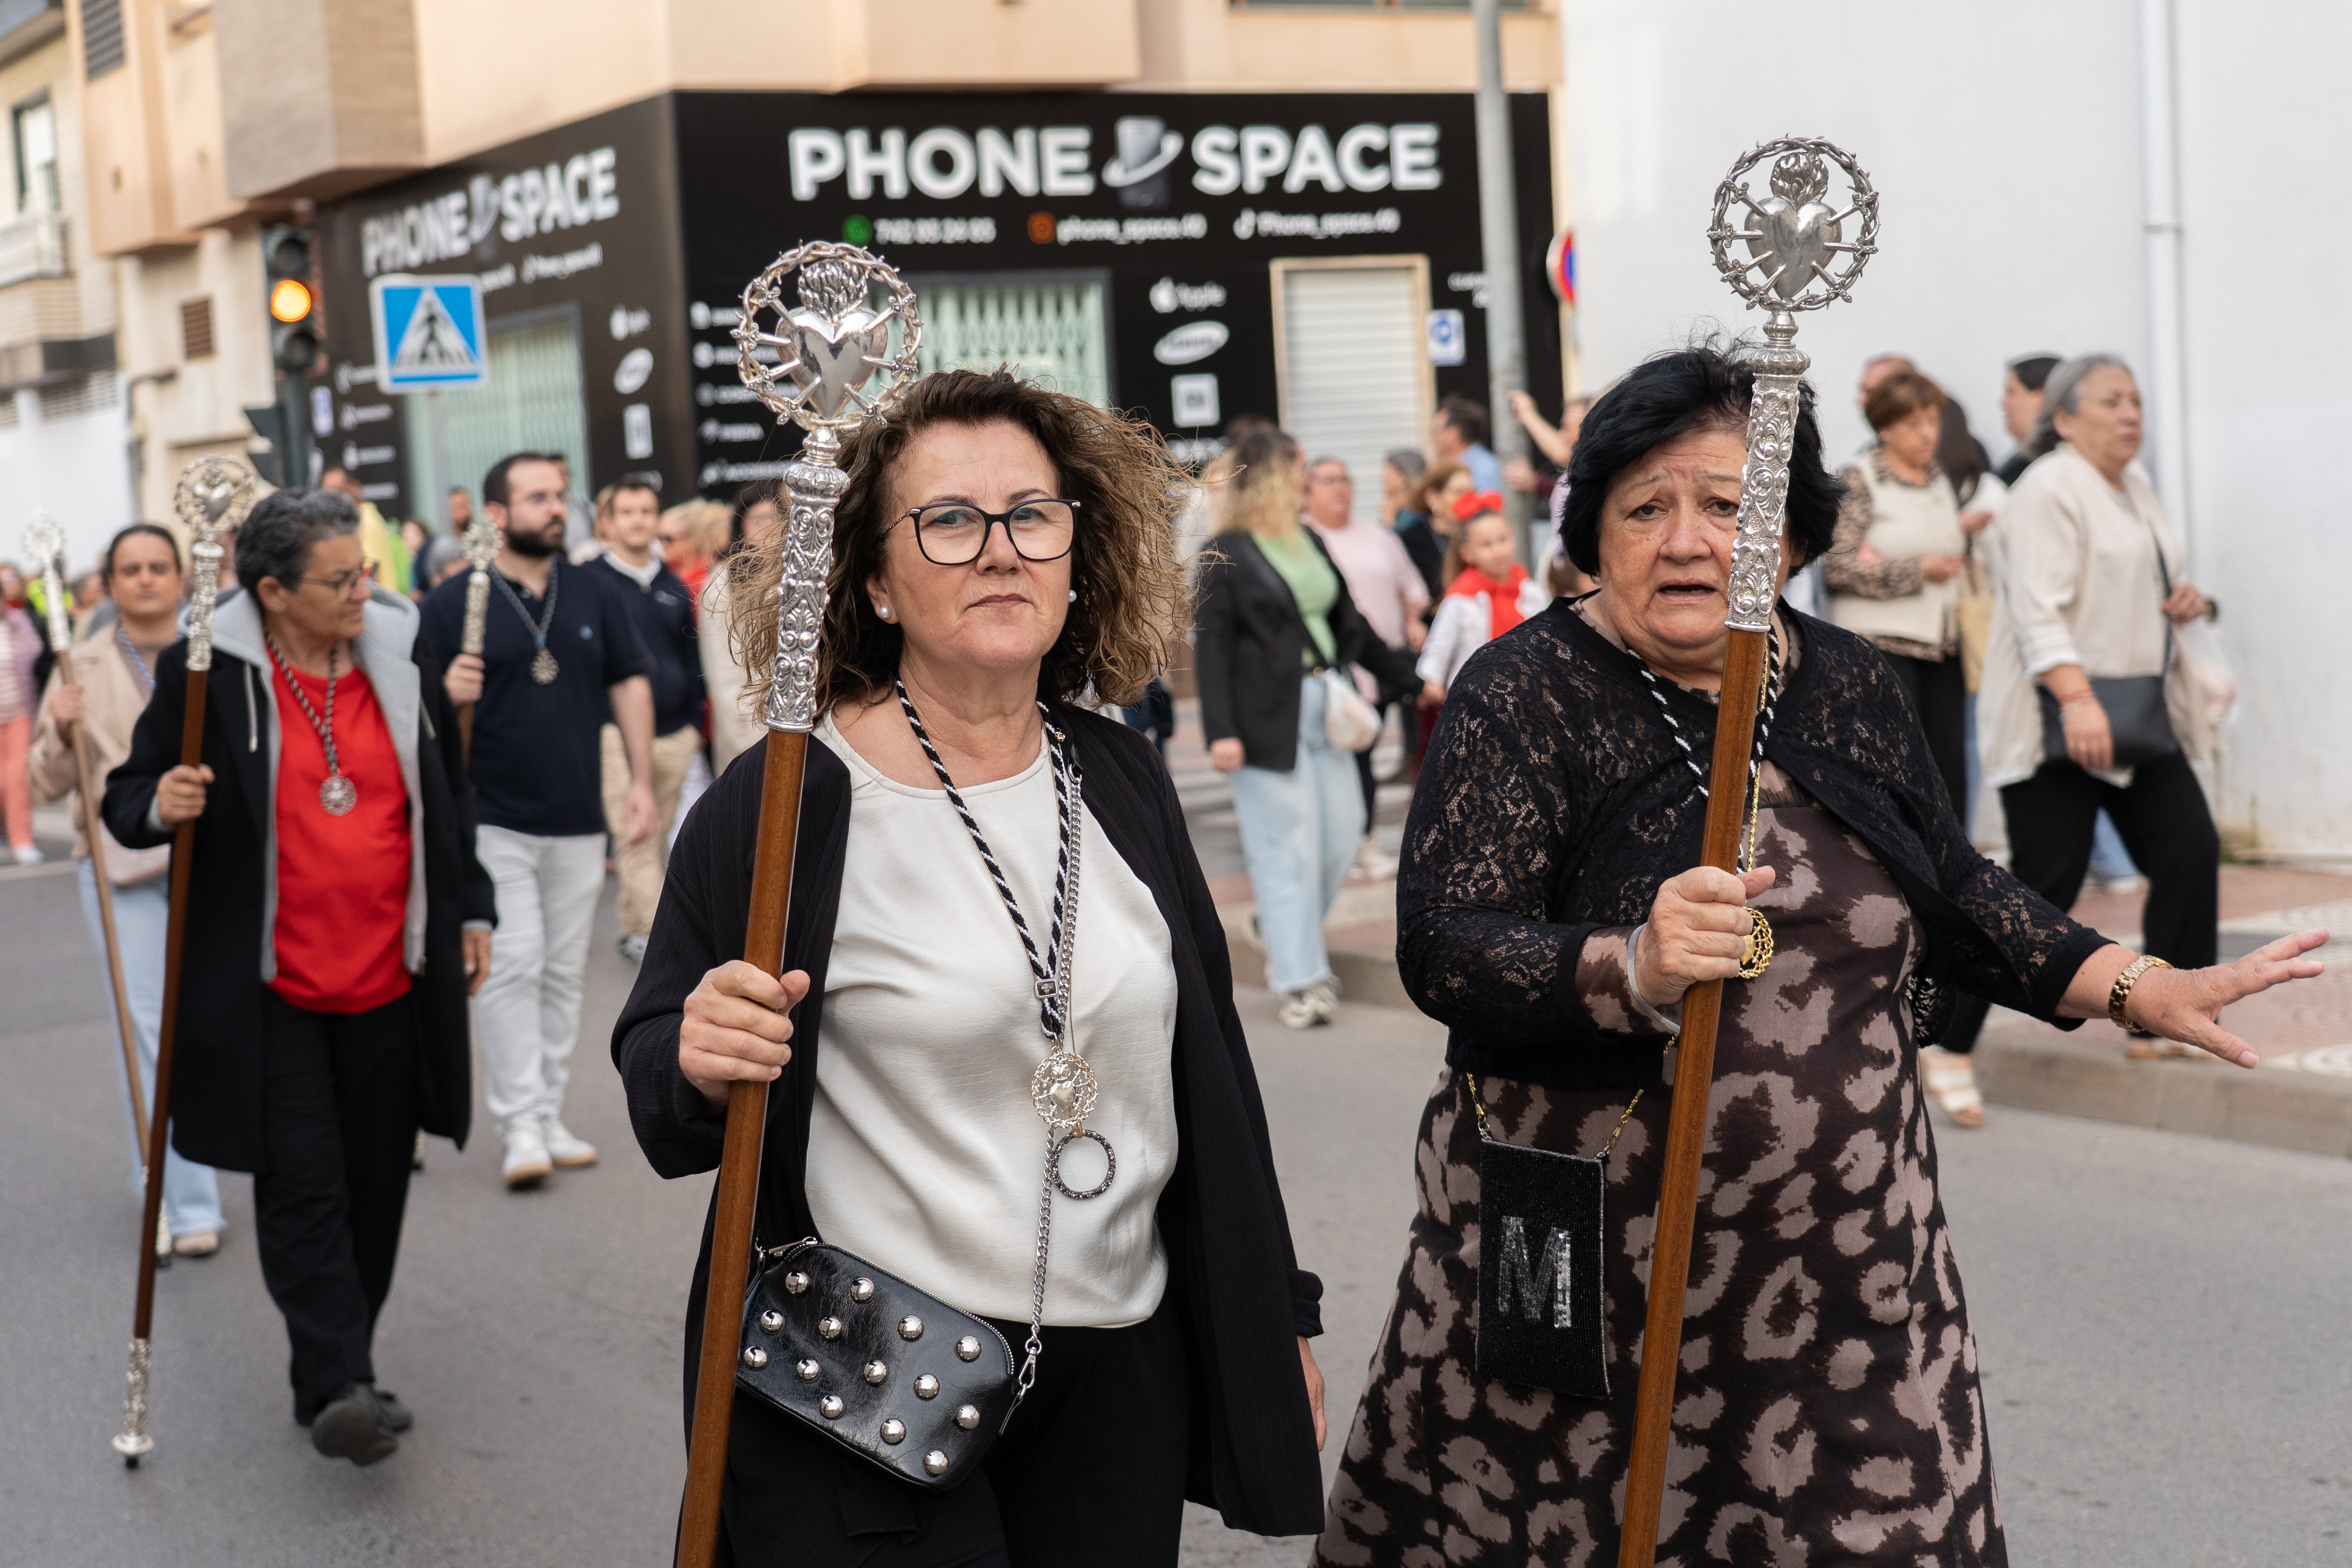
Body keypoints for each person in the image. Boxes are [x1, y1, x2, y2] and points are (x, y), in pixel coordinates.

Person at [1314, 344, 2328, 1567]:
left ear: (1788, 539)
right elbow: (1442, 942)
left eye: (1727, 508)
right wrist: (1625, 961)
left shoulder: (1842, 679)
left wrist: (2127, 978)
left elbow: (1945, 885)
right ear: (1591, 532)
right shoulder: (1523, 690)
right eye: (1645, 507)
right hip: (1594, 1273)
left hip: (1844, 1275)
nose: (1686, 539)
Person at [612, 368, 1329, 1564]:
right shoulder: (788, 802)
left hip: (1115, 1367)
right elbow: (660, 1072)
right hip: (865, 1360)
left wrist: (1278, 1316)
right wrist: (696, 1049)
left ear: (1076, 549)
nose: (999, 549)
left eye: (1031, 515)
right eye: (949, 520)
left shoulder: (1122, 776)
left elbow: (1213, 1079)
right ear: (876, 579)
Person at [102, 488, 496, 1465]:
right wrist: (165, 799)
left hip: (389, 975)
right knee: (303, 1185)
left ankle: (338, 1366)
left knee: (375, 1185)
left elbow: (448, 794)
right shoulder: (204, 674)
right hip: (271, 989)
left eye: (363, 569)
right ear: (273, 592)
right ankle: (338, 1381)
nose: (363, 588)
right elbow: (123, 801)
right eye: (340, 578)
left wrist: (472, 905)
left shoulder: (400, 656)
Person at [1942, 353, 2225, 1080]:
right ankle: (1946, 1043)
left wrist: (2186, 599)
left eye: (2135, 400)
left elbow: (2140, 575)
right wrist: (2075, 699)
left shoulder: (2134, 484)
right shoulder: (2047, 487)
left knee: (2188, 848)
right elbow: (2037, 606)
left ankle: (2169, 1011)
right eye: (2110, 401)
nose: (2130, 413)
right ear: (2063, 418)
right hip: (2055, 717)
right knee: (2043, 886)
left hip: (2134, 713)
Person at [422, 451, 657, 1189]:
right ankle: (519, 1121)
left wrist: (643, 780)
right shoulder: (454, 600)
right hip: (492, 816)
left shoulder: (591, 590)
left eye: (560, 495)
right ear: (496, 515)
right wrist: (445, 688)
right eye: (537, 497)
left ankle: (550, 1112)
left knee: (560, 973)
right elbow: (416, 715)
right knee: (514, 965)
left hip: (578, 813)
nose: (556, 507)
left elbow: (630, 682)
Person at [31, 525, 227, 1255]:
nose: (145, 580)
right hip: (118, 866)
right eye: (129, 570)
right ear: (109, 585)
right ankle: (178, 1196)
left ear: (182, 577)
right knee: (147, 1033)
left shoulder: (218, 652)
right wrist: (57, 726)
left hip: (211, 862)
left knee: (211, 1026)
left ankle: (203, 1169)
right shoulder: (76, 663)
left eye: (157, 567)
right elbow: (46, 783)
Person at [1194, 429, 1423, 1028]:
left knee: (1343, 836)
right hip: (1263, 718)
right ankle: (1301, 979)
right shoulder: (1228, 550)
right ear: (1269, 475)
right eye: (1297, 469)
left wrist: (1414, 678)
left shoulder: (1308, 540)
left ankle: (1277, 928)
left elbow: (1356, 624)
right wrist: (1220, 729)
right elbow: (1213, 647)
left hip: (1326, 702)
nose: (1307, 479)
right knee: (1286, 850)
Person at [1822, 366, 1981, 823]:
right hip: (1881, 646)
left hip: (1942, 643)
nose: (1928, 433)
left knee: (1949, 768)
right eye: (1914, 423)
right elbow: (1836, 567)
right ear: (1884, 426)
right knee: (1894, 767)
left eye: (1933, 421)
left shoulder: (1937, 478)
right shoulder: (1860, 478)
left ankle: (1950, 872)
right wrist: (1917, 571)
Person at [586, 472, 706, 962]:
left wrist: (696, 725)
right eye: (627, 511)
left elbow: (692, 661)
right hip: (615, 736)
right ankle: (670, 948)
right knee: (634, 839)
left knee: (654, 840)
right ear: (608, 523)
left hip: (676, 733)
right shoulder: (590, 583)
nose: (638, 520)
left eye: (646, 511)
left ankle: (636, 928)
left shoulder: (673, 585)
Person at [1302, 454, 1428, 878]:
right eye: (1329, 480)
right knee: (1353, 755)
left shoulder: (1379, 535)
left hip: (1387, 660)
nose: (1340, 488)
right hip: (1339, 671)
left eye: (1345, 479)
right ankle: (1353, 842)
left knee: (1386, 751)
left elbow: (1414, 588)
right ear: (1308, 488)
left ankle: (1367, 839)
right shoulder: (1305, 539)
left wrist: (1412, 620)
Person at [1414, 502, 1546, 698]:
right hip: (1475, 694)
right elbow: (1440, 644)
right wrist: (1431, 680)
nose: (1498, 551)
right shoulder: (1461, 598)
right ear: (1467, 553)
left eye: (1503, 540)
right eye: (1486, 545)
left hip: (1527, 691)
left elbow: (1546, 640)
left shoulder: (1532, 592)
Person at [701, 480, 784, 777]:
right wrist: (754, 734)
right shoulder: (721, 583)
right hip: (749, 728)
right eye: (757, 518)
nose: (767, 527)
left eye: (774, 517)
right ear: (741, 525)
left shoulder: (800, 573)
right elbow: (724, 675)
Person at [322, 467, 412, 598]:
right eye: (327, 493)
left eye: (338, 490)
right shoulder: (365, 518)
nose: (332, 499)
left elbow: (369, 575)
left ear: (355, 488)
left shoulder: (365, 523)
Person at [0, 573, 38, 863]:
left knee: (17, 780)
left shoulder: (16, 621)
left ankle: (22, 839)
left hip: (18, 713)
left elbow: (35, 649)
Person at [1995, 353, 2063, 485]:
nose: (2003, 403)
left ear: (2039, 399)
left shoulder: (2048, 466)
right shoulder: (2018, 464)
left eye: (2011, 392)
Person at [1431, 394, 1501, 493]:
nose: (1433, 438)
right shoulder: (1458, 463)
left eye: (1437, 431)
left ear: (1454, 434)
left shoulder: (1484, 469)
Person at [1376, 447, 1425, 530]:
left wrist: (1388, 522)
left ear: (1401, 479)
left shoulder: (1415, 519)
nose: (1383, 478)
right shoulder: (1399, 513)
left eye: (1388, 473)